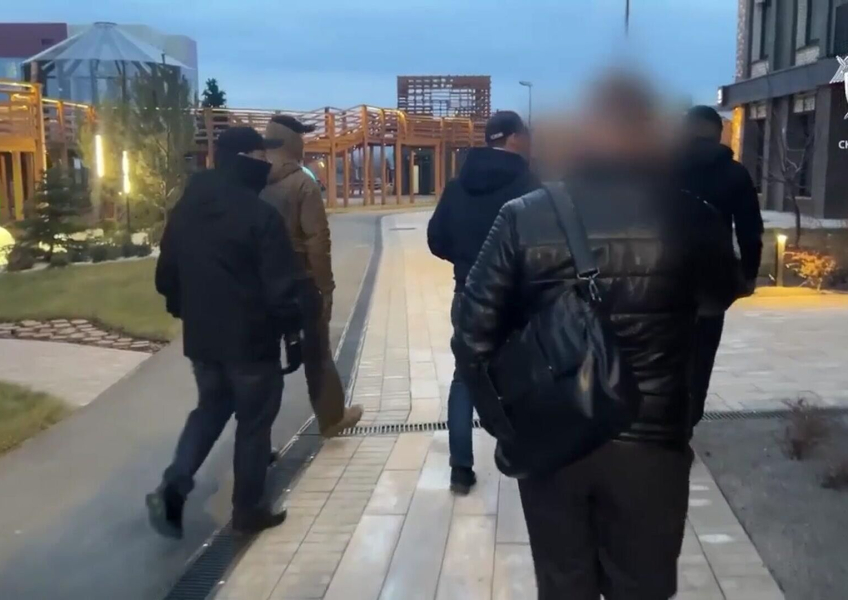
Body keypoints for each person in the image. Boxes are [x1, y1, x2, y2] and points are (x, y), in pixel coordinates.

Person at [452, 77, 742, 599]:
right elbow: (718, 297)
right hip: (652, 440)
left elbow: (471, 335)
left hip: (553, 437)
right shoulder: (694, 216)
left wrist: (510, 426)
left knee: (563, 584)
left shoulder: (523, 216)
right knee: (643, 587)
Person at [148, 127, 310, 538]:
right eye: (261, 155)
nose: (267, 162)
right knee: (255, 422)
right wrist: (293, 334)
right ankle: (248, 510)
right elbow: (281, 289)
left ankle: (175, 484)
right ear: (247, 158)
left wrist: (186, 309)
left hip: (203, 338)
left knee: (210, 409)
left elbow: (166, 275)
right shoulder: (260, 216)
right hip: (252, 342)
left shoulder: (187, 207)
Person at [427, 110, 539, 494]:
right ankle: (528, 456)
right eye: (526, 136)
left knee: (466, 376)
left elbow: (436, 239)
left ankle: (461, 469)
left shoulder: (458, 186)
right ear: (513, 138)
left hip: (469, 294)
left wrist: (468, 262)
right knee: (528, 372)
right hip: (518, 297)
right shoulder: (530, 185)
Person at [261, 115, 363, 438]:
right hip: (300, 281)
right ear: (292, 141)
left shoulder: (255, 180)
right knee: (317, 352)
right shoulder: (302, 183)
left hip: (261, 283)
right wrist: (325, 287)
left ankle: (256, 441)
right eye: (301, 137)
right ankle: (331, 418)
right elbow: (317, 240)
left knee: (262, 362)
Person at [679, 105, 763, 426]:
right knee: (701, 362)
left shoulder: (660, 168)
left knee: (661, 359)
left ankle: (661, 429)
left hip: (662, 278)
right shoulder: (735, 174)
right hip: (712, 284)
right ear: (718, 134)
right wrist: (749, 275)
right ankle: (688, 423)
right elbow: (750, 231)